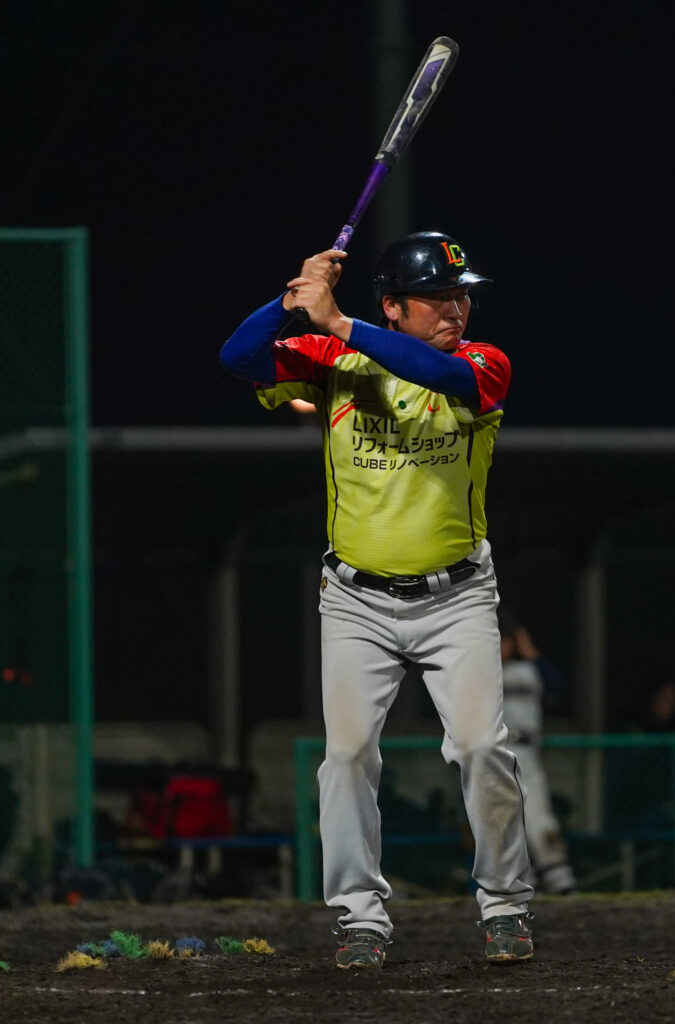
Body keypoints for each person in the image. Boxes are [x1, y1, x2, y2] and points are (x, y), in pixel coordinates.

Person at [220, 231, 534, 967]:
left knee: (482, 747)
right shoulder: (335, 361)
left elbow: (435, 373)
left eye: (461, 296)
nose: (455, 309)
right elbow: (238, 358)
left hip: (457, 598)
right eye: (435, 298)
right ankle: (360, 918)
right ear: (393, 305)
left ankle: (505, 905)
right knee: (347, 756)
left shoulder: (481, 363)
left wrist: (337, 320)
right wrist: (291, 297)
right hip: (355, 600)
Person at [498, 607, 578, 895]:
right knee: (504, 821)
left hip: (526, 752)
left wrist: (529, 650)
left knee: (538, 817)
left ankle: (560, 880)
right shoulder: (481, 671)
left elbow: (557, 688)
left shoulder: (529, 670)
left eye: (504, 640)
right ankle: (523, 881)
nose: (500, 646)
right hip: (495, 753)